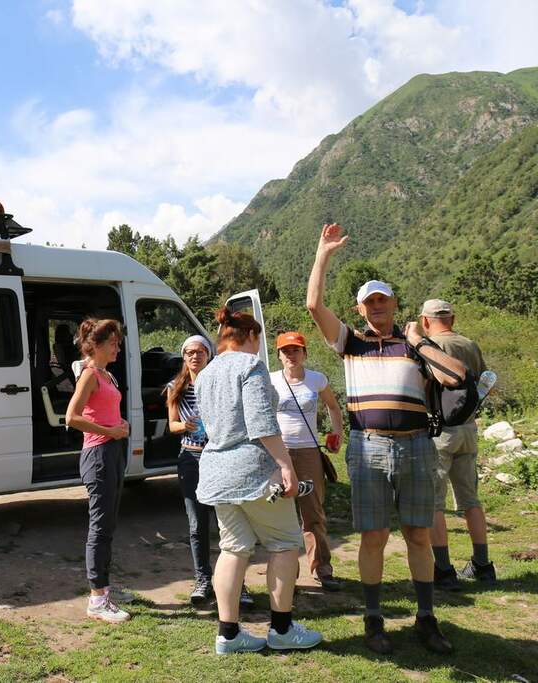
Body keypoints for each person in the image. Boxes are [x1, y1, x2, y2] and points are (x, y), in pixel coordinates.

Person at [306, 223, 468, 655]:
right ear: (359, 310)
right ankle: (374, 620)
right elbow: (312, 304)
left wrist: (418, 341)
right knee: (373, 537)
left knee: (418, 533)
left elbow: (457, 377)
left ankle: (426, 618)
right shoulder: (351, 343)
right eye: (369, 302)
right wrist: (323, 255)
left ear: (396, 304)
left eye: (383, 300)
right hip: (368, 446)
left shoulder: (416, 345)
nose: (377, 307)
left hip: (417, 444)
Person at [195, 307, 323, 655]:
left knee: (232, 549)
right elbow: (261, 422)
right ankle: (281, 629)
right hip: (253, 472)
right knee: (284, 544)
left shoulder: (204, 374)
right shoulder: (251, 366)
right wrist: (287, 466)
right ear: (250, 337)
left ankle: (229, 634)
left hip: (217, 472)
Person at [420, 299, 496, 589]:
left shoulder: (427, 346)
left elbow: (424, 385)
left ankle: (443, 569)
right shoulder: (469, 344)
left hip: (440, 431)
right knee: (470, 501)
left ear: (425, 321)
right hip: (468, 429)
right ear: (452, 318)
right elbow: (487, 380)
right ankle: (483, 565)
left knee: (435, 504)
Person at [65, 318, 132, 623]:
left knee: (108, 526)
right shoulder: (90, 374)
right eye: (115, 343)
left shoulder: (106, 374)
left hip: (112, 451)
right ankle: (97, 599)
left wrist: (121, 427)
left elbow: (106, 412)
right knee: (100, 528)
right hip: (99, 455)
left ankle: (104, 590)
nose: (118, 347)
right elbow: (72, 417)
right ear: (99, 345)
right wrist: (109, 430)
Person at [269, 332, 344, 592]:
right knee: (281, 514)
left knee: (313, 514)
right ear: (278, 355)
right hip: (280, 453)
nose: (291, 355)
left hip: (310, 452)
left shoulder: (317, 380)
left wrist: (337, 433)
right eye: (286, 351)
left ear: (305, 353)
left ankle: (322, 568)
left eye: (296, 350)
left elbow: (334, 407)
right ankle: (287, 572)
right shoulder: (270, 382)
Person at [165, 335, 216, 604]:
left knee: (228, 524)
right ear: (184, 357)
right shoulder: (176, 387)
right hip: (190, 458)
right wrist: (185, 426)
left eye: (200, 352)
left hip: (219, 458)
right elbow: (171, 424)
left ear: (208, 355)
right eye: (189, 353)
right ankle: (203, 579)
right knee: (197, 524)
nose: (195, 357)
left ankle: (237, 583)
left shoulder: (219, 384)